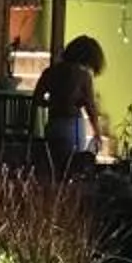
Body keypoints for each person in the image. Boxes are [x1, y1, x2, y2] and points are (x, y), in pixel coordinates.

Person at [37, 36, 106, 169]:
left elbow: (38, 99)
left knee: (54, 166)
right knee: (72, 167)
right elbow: (90, 106)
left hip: (53, 124)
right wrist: (97, 132)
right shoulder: (83, 76)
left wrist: (52, 103)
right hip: (72, 125)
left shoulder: (50, 72)